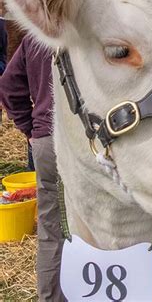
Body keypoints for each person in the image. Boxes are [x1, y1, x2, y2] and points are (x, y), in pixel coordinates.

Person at [0, 34, 65, 301]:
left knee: (51, 230)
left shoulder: (34, 38)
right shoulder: (91, 29)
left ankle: (50, 297)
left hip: (46, 140)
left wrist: (32, 130)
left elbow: (8, 87)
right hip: (85, 143)